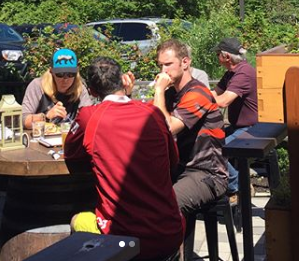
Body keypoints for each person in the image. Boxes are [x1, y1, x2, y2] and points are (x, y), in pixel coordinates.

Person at [65, 57, 184, 260]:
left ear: (92, 92)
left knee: (77, 220)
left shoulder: (89, 116)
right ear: (122, 80)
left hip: (122, 238)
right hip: (170, 231)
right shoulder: (153, 113)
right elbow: (173, 161)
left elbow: (70, 152)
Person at [153, 39, 228, 219]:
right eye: (161, 65)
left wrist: (158, 90)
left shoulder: (198, 93)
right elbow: (147, 122)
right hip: (179, 169)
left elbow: (166, 127)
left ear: (185, 62)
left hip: (208, 174)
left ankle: (169, 247)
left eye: (168, 64)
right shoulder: (171, 94)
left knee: (166, 208)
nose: (163, 71)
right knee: (135, 196)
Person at [211, 37, 258, 196]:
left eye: (218, 53)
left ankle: (238, 187)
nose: (217, 57)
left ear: (226, 57)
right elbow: (214, 93)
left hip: (251, 129)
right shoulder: (231, 73)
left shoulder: (243, 74)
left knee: (214, 151)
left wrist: (198, 103)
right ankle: (235, 183)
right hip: (239, 126)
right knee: (207, 143)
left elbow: (223, 101)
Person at [22, 48, 92, 129]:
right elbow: (23, 120)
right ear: (51, 72)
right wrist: (46, 117)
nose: (65, 79)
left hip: (68, 138)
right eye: (60, 74)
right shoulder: (38, 86)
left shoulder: (79, 89)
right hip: (41, 138)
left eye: (70, 74)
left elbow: (90, 118)